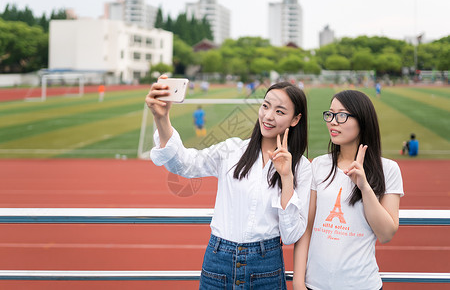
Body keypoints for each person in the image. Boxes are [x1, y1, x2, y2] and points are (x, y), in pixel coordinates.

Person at [146, 77, 311, 290]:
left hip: (266, 267)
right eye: (265, 106)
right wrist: (162, 118)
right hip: (218, 261)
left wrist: (286, 177)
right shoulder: (232, 150)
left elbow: (290, 235)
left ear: (295, 119)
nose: (268, 116)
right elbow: (184, 165)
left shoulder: (302, 167)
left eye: (280, 112)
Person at [293, 90, 403, 290]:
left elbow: (386, 234)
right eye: (330, 114)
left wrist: (364, 187)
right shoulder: (318, 166)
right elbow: (306, 229)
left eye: (342, 115)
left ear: (362, 120)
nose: (333, 122)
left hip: (362, 284)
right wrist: (299, 283)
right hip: (314, 285)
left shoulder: (388, 169)